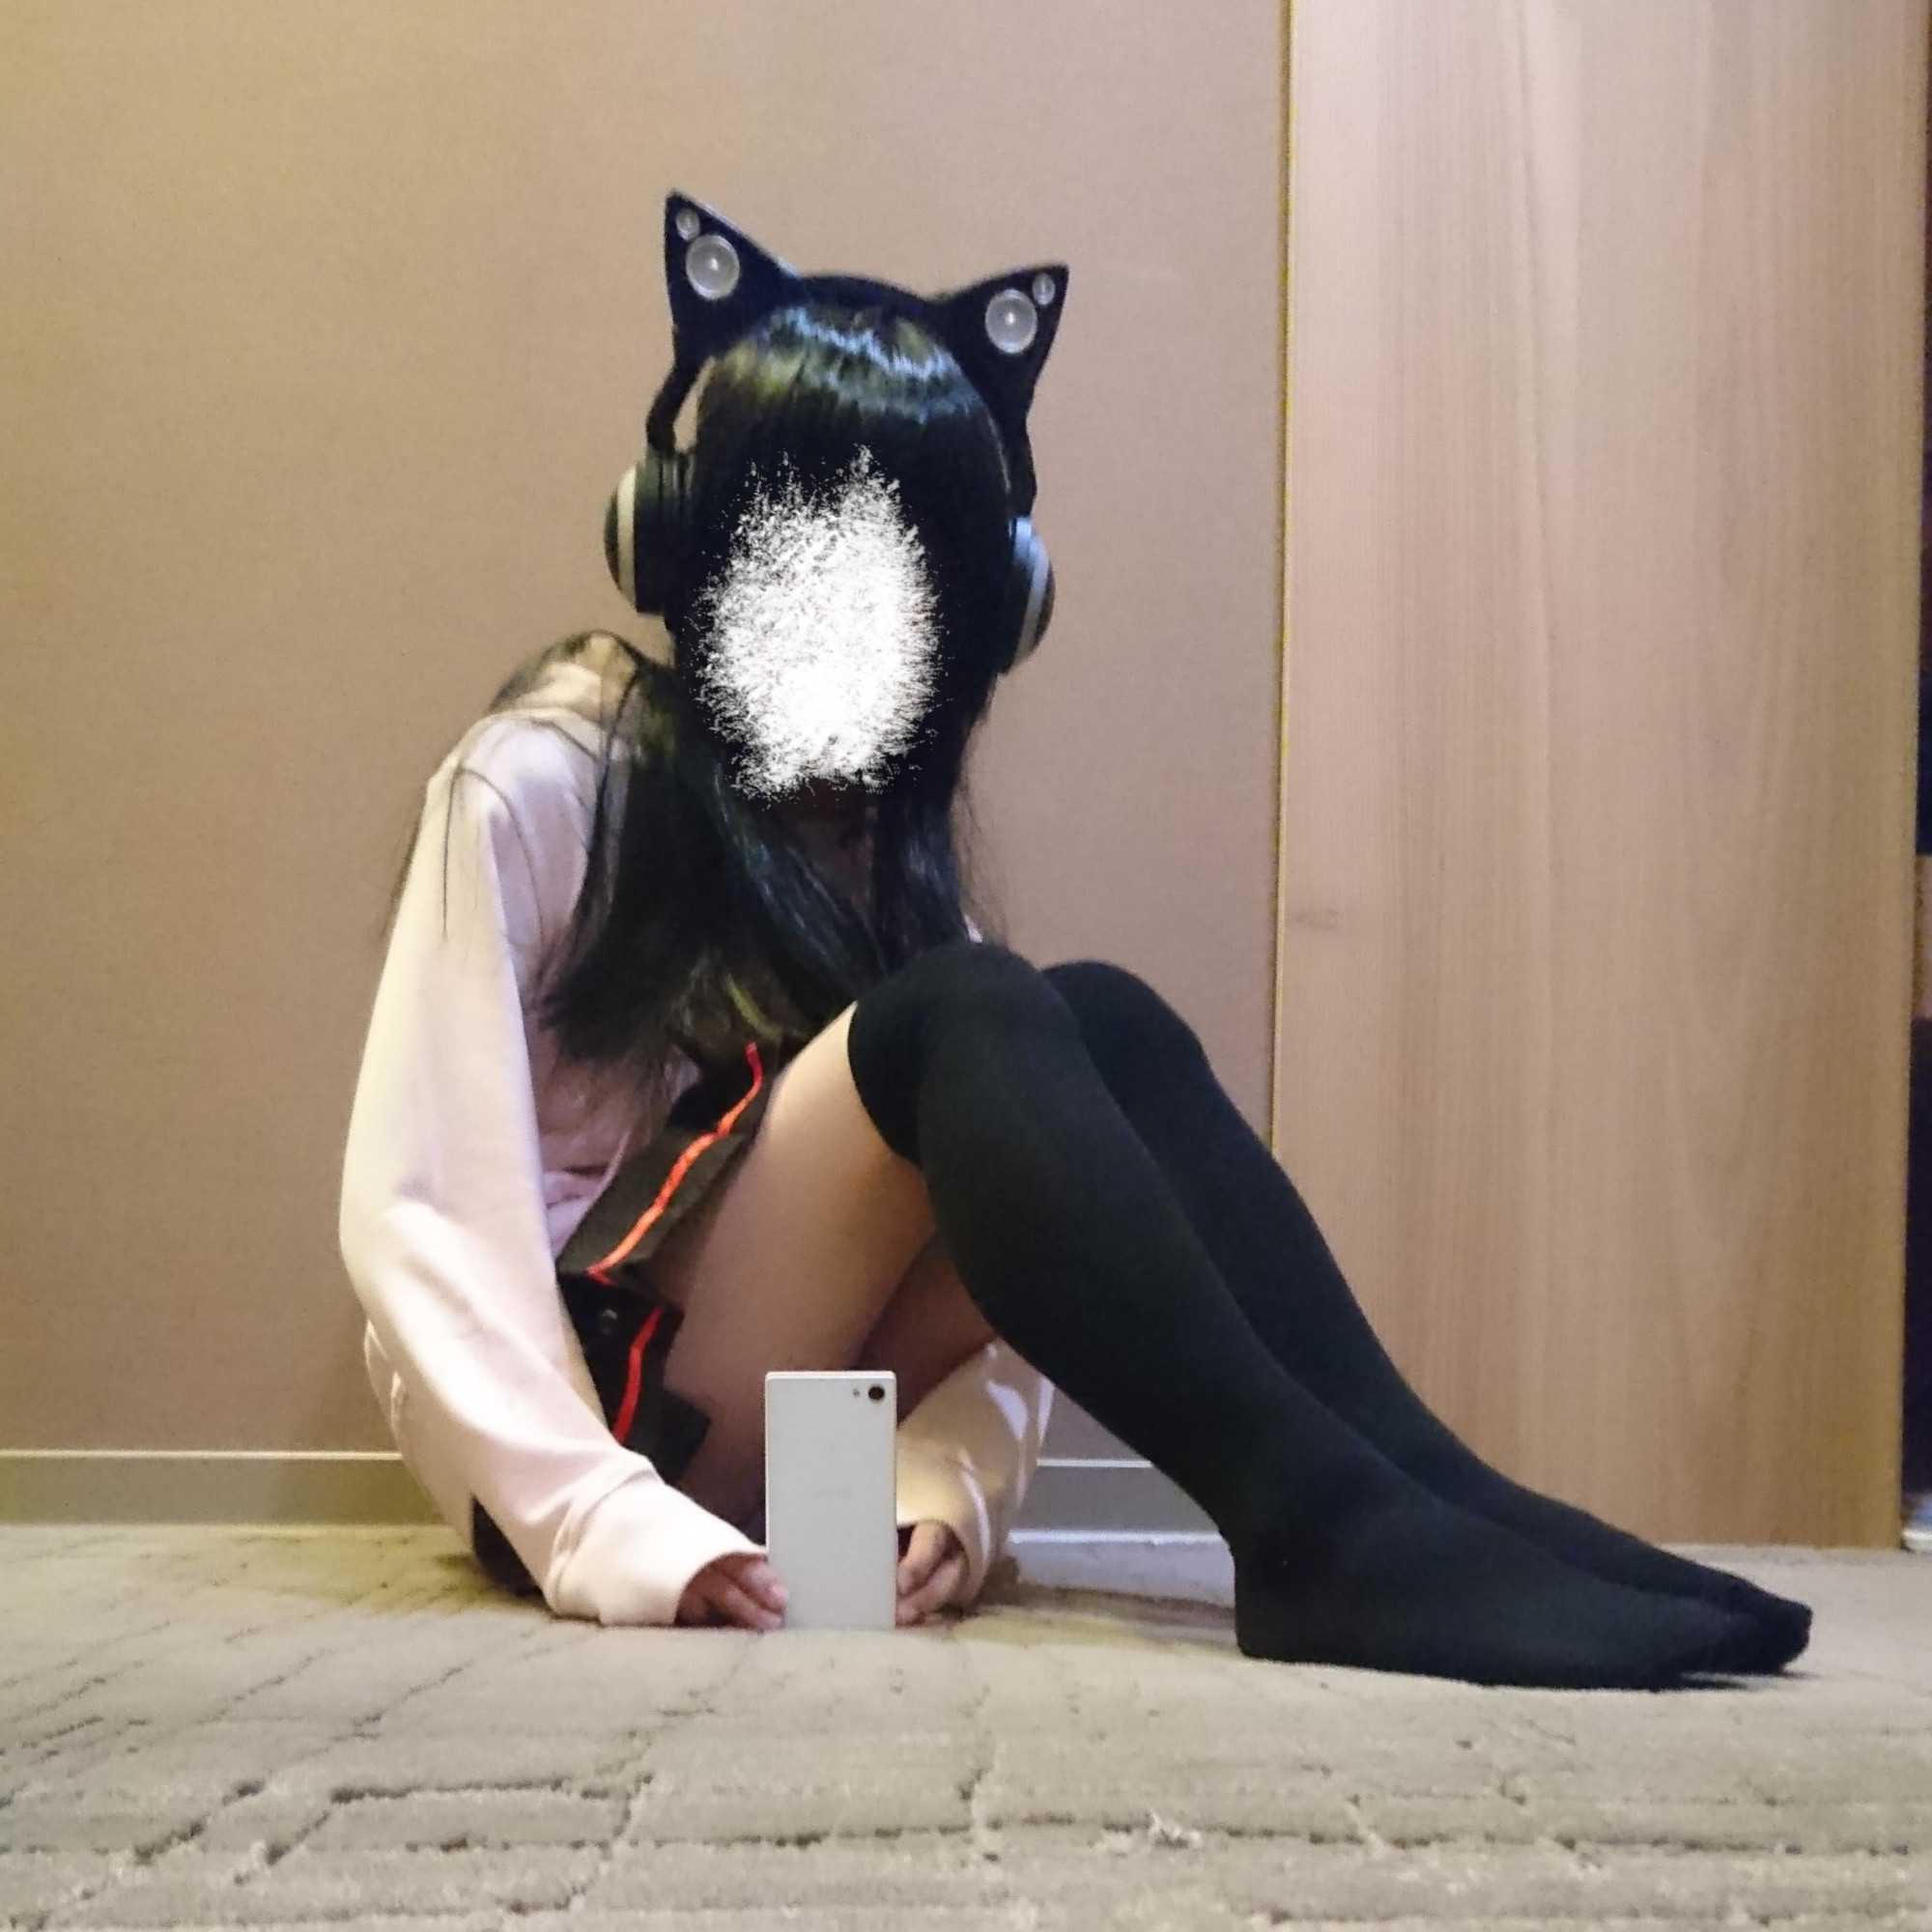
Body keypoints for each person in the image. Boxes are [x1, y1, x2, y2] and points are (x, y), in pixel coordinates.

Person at [341, 195, 1813, 1687]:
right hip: (592, 1436)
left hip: (790, 1440)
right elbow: (421, 1209)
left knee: (1095, 1024)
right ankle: (1322, 1529)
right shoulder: (550, 778)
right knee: (973, 1015)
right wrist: (588, 1514)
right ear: (684, 548)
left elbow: (1012, 1260)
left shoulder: (889, 872)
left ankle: (1438, 1494)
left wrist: (943, 1484)